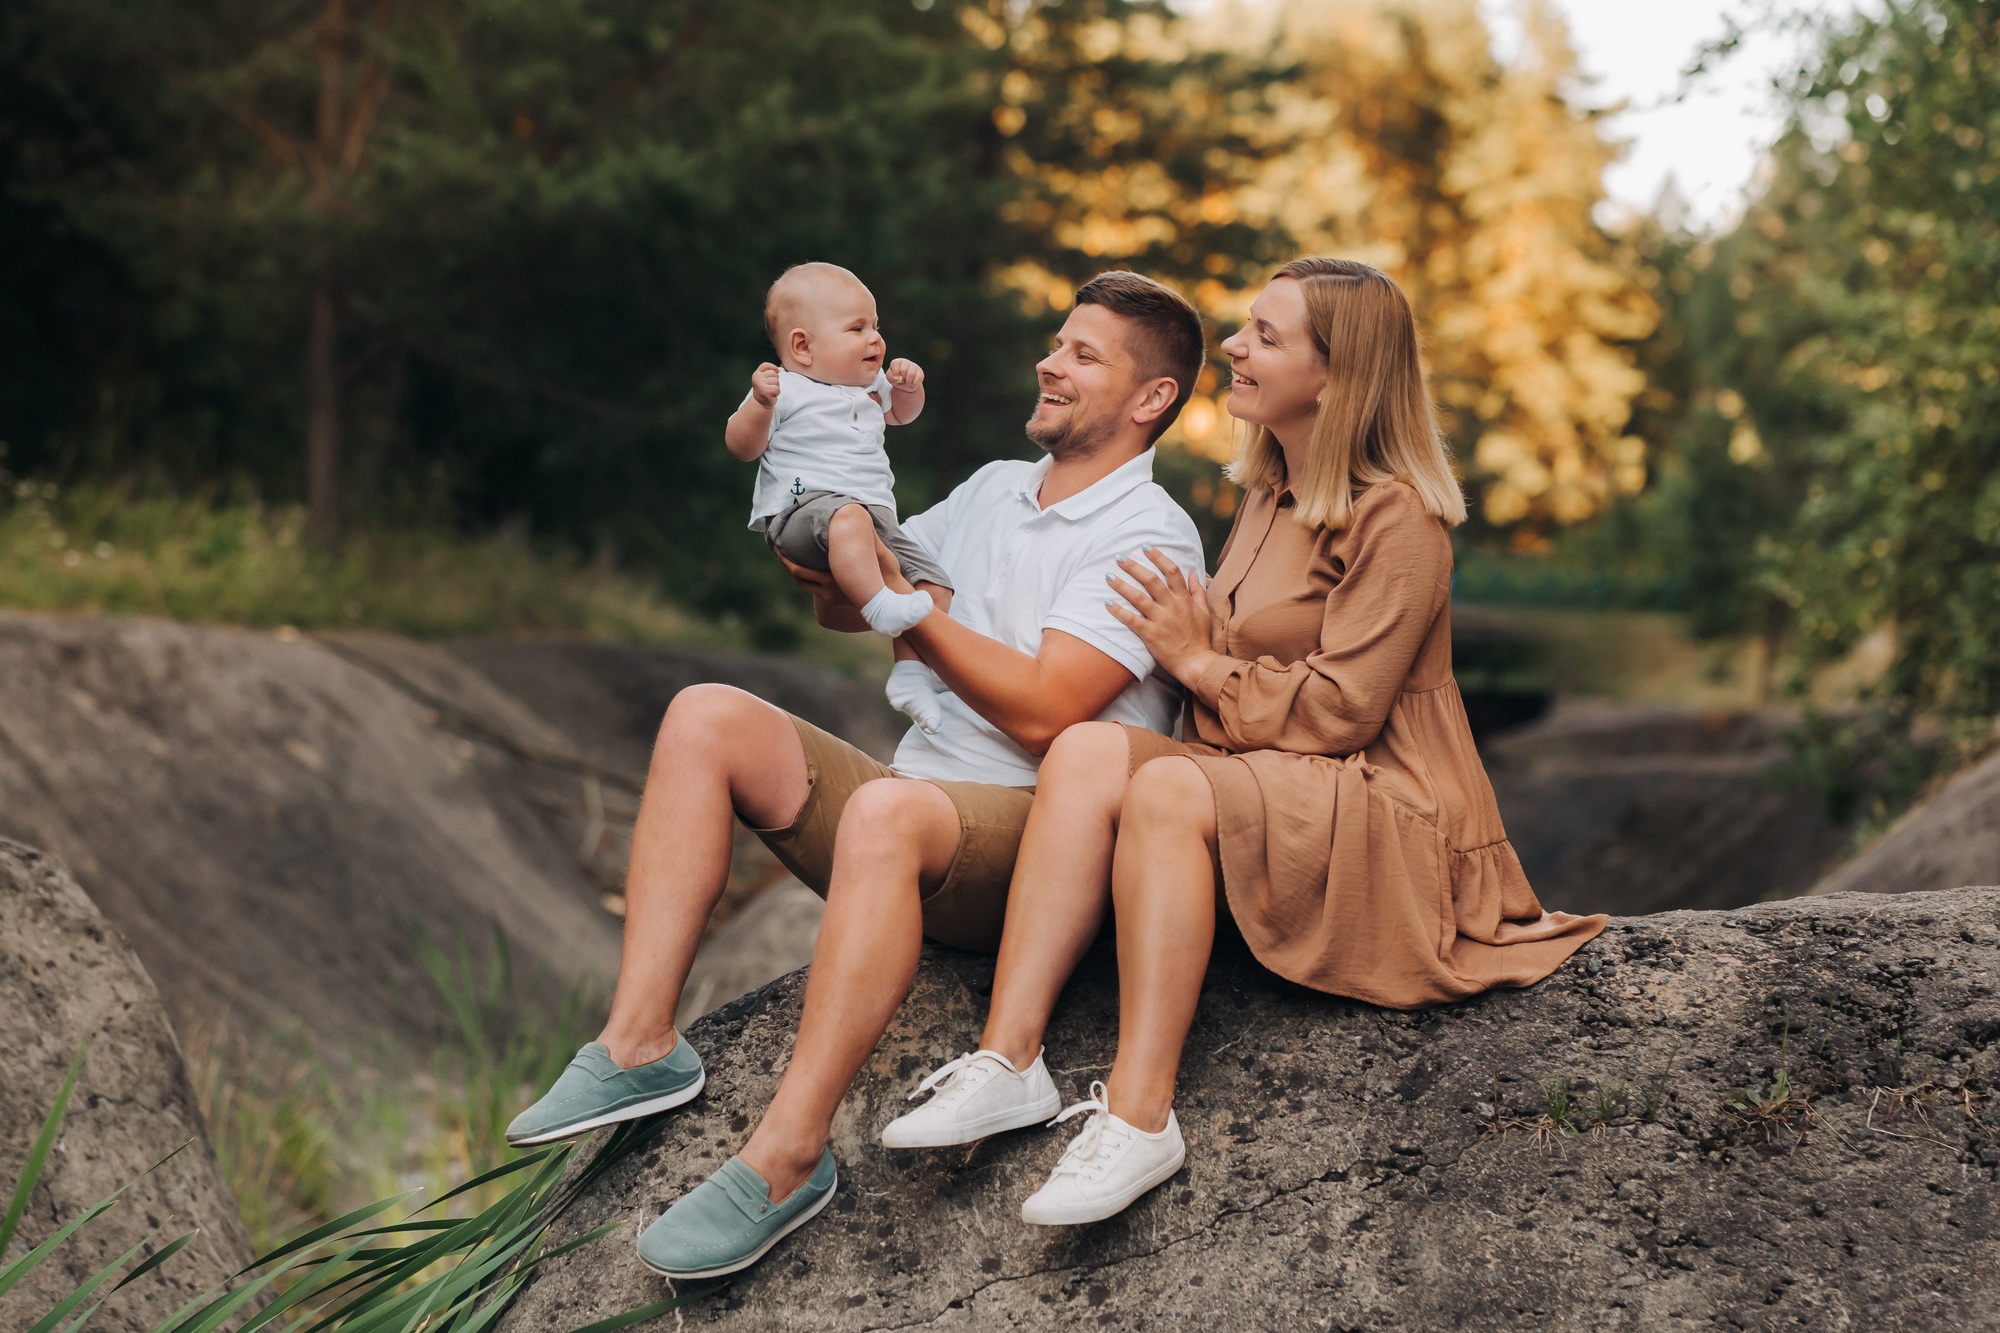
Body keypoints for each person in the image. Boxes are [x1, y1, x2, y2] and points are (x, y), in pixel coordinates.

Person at [502, 270, 1208, 1278]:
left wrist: (908, 611)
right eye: (1056, 342)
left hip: (1035, 834)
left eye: (1083, 355)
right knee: (705, 715)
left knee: (885, 809)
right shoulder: (994, 487)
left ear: (1152, 399)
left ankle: (787, 1157)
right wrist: (831, 571)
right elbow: (866, 604)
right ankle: (636, 1044)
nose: (1049, 363)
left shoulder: (1147, 534)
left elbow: (1050, 707)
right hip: (917, 798)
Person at [880, 257, 1609, 1227]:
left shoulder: (1400, 517)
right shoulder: (1266, 494)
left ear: (1336, 376)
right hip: (1279, 773)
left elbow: (1343, 713)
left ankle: (1140, 1117)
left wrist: (1193, 660)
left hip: (1383, 800)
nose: (1231, 346)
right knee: (1088, 749)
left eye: (1264, 336)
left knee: (1169, 792)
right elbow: (1239, 672)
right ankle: (1009, 1058)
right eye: (1244, 329)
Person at [724, 260, 955, 731]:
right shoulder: (783, 388)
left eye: (876, 326)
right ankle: (878, 606)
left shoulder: (870, 387)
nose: (875, 339)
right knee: (849, 518)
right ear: (803, 347)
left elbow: (903, 417)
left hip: (873, 519)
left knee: (935, 587)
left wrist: (911, 389)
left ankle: (911, 676)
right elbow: (741, 447)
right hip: (802, 511)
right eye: (857, 328)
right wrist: (760, 404)